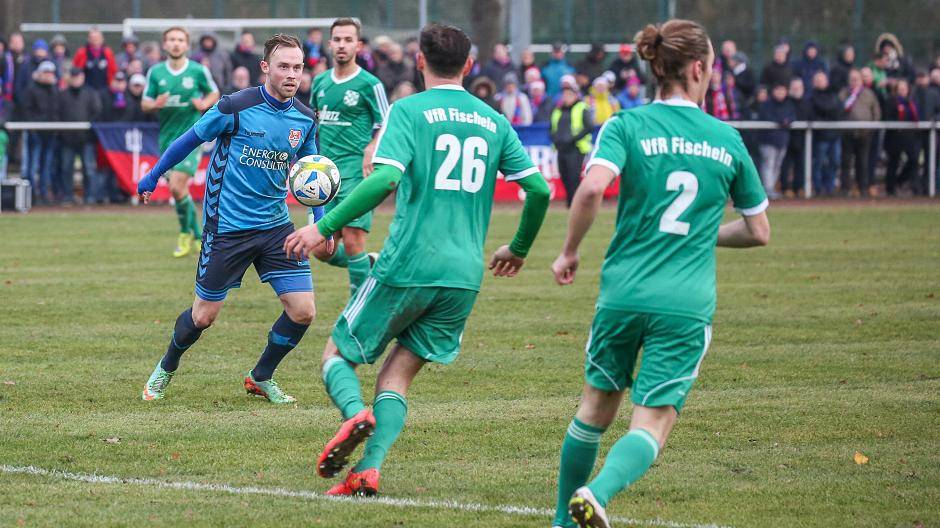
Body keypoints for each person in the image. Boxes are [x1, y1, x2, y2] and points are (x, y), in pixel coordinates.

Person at [284, 22, 551, 497]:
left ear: (420, 61)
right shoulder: (494, 121)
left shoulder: (409, 110)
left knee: (336, 357)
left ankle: (355, 415)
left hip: (409, 262)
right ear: (470, 65)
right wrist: (519, 248)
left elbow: (385, 179)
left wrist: (321, 226)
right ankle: (367, 471)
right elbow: (538, 189)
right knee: (397, 376)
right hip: (463, 276)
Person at [549, 19, 770, 528]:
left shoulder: (626, 125)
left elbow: (590, 189)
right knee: (652, 422)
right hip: (685, 302)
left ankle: (562, 520)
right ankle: (597, 493)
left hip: (623, 293)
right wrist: (702, 233)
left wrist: (569, 252)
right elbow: (758, 231)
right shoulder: (727, 138)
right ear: (697, 69)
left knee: (594, 410)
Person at [137, 34, 321, 404]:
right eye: (284, 66)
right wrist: (154, 175)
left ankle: (261, 376)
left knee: (303, 312)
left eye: (298, 67)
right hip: (228, 228)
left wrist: (321, 223)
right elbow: (189, 140)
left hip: (276, 228)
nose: (292, 74)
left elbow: (313, 176)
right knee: (203, 317)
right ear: (265, 67)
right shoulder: (234, 106)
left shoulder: (305, 118)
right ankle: (166, 366)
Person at [309, 18, 390, 299]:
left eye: (348, 40)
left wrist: (372, 147)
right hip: (325, 176)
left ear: (358, 45)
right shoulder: (320, 82)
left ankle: (360, 307)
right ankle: (369, 264)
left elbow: (387, 122)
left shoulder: (370, 84)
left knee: (354, 239)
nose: (342, 45)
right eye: (337, 39)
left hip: (357, 173)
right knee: (321, 248)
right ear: (330, 44)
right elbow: (312, 123)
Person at [142, 27, 220, 257]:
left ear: (187, 45)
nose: (176, 43)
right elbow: (144, 103)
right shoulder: (156, 72)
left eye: (180, 40)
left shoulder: (198, 70)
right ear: (164, 44)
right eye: (171, 40)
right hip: (166, 139)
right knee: (178, 192)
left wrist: (204, 104)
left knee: (176, 186)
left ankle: (187, 234)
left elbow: (214, 93)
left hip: (192, 138)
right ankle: (196, 236)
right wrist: (155, 103)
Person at [58, 67, 103, 204]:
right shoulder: (63, 95)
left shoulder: (90, 94)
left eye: (78, 77)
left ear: (82, 78)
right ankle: (67, 196)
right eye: (74, 77)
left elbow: (97, 112)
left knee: (89, 169)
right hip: (67, 139)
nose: (76, 80)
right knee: (66, 169)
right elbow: (58, 114)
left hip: (86, 139)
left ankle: (90, 197)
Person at [551, 75, 593, 207]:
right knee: (564, 175)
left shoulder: (582, 107)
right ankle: (571, 202)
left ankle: (576, 203)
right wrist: (555, 139)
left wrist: (573, 139)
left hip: (576, 147)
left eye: (569, 94)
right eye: (564, 95)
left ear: (575, 95)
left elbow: (588, 127)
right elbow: (552, 127)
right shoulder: (558, 110)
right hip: (561, 147)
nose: (566, 97)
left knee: (573, 176)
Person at [20, 60, 59, 203]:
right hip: (35, 132)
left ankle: (43, 192)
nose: (48, 75)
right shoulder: (31, 89)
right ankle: (31, 194)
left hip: (50, 133)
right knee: (33, 164)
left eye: (50, 73)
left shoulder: (55, 90)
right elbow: (27, 110)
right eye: (46, 72)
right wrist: (33, 127)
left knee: (46, 165)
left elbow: (57, 111)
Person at [840, 68, 881, 197]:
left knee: (862, 162)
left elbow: (876, 112)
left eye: (856, 79)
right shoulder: (843, 93)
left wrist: (871, 129)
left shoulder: (869, 94)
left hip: (864, 134)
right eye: (852, 79)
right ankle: (845, 189)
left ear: (861, 80)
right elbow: (838, 110)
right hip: (847, 134)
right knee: (846, 162)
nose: (854, 81)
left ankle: (862, 187)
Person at [883, 79, 921, 196]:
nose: (902, 91)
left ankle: (900, 180)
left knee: (914, 160)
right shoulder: (891, 101)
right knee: (893, 162)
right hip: (894, 137)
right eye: (900, 89)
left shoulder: (912, 102)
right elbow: (886, 117)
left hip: (909, 137)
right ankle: (890, 189)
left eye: (904, 89)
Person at [809, 71, 841, 196]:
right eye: (817, 80)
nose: (820, 83)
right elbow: (824, 109)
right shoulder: (811, 96)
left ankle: (830, 188)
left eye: (822, 80)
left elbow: (836, 109)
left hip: (834, 135)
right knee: (819, 163)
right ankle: (818, 189)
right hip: (820, 136)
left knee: (834, 162)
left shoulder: (833, 94)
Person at [780, 77, 810, 197]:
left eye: (799, 87)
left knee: (800, 164)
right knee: (785, 165)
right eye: (794, 87)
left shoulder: (807, 102)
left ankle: (799, 187)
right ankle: (785, 188)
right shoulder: (785, 102)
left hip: (802, 138)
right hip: (786, 138)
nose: (797, 89)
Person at [72, 28, 117, 93]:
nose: (95, 39)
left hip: (105, 89)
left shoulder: (108, 53)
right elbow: (75, 70)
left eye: (97, 37)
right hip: (86, 89)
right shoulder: (81, 52)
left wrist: (112, 84)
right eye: (92, 37)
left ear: (102, 39)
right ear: (88, 39)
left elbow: (113, 71)